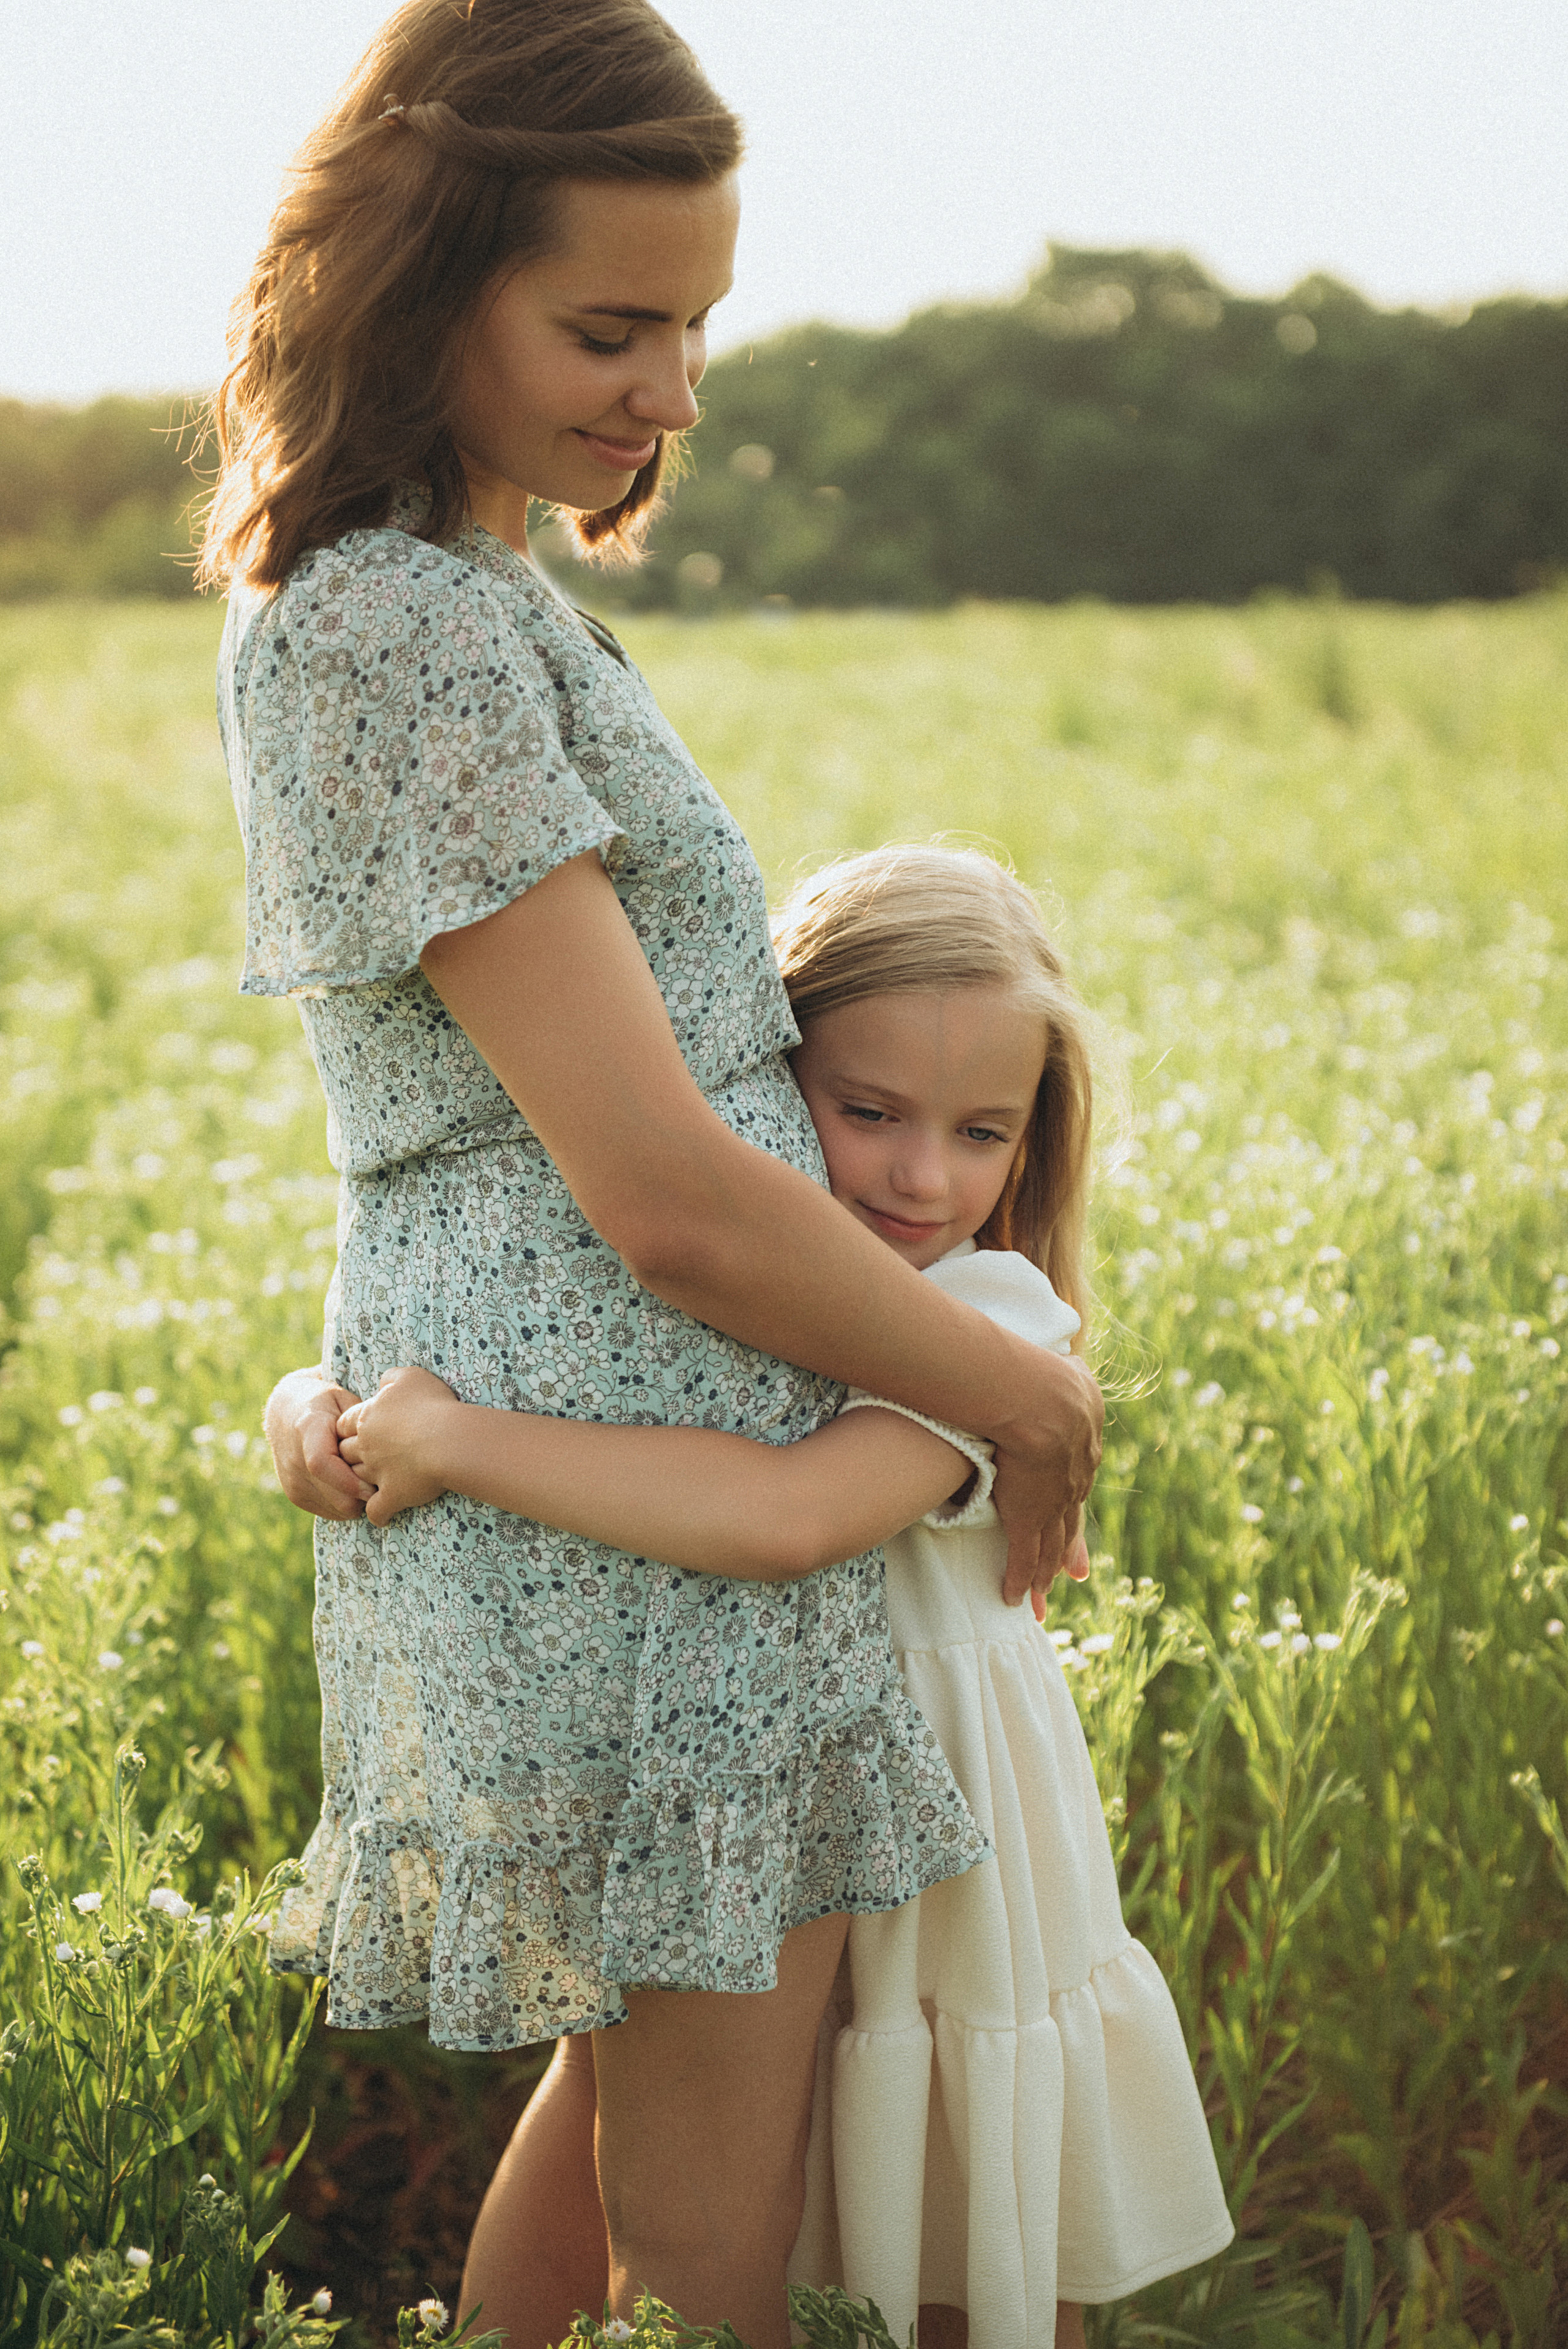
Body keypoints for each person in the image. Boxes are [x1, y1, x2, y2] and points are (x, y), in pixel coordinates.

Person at [204, 6, 1104, 2344]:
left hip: (603, 1480)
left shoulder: (459, 600)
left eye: (697, 321)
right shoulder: (399, 623)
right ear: (420, 286)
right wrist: (1021, 1393)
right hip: (633, 1523)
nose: (674, 392)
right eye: (610, 326)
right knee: (714, 2249)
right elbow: (669, 1198)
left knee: (630, 2131)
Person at [339, 845, 1235, 2349]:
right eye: (865, 1110)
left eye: (979, 1133)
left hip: (924, 1837)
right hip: (728, 1776)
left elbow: (782, 1517)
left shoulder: (986, 1320)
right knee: (604, 2115)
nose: (919, 1175)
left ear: (1032, 1149)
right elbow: (532, 1392)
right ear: (755, 1088)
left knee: (936, 2175)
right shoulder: (739, 1286)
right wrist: (331, 1409)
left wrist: (454, 1444)